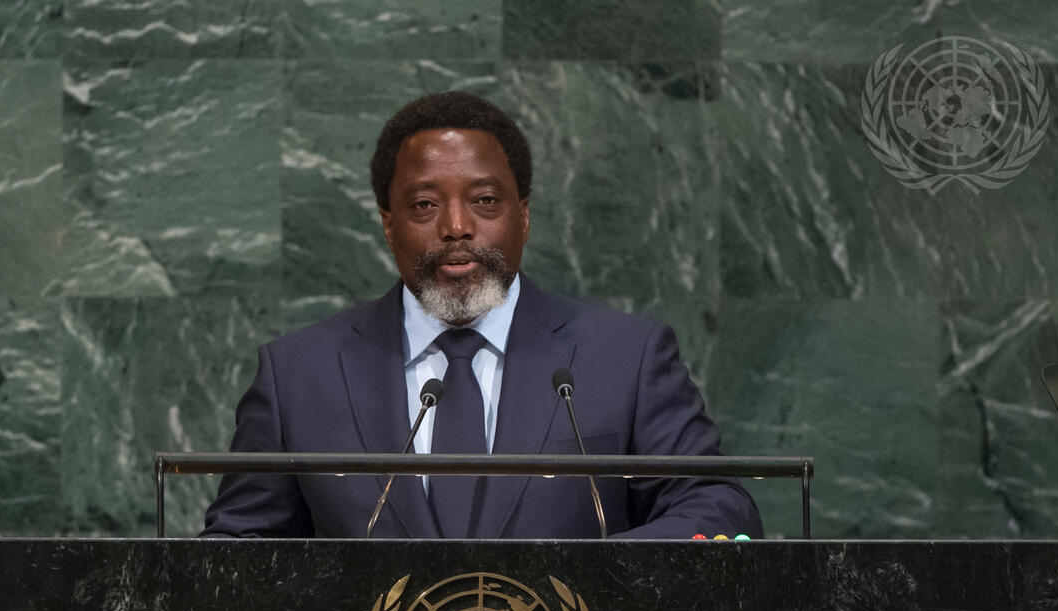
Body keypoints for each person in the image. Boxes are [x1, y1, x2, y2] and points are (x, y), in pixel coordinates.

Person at [202, 91, 762, 539]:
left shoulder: (625, 357)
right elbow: (237, 549)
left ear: (524, 216)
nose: (456, 227)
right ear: (388, 224)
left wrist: (596, 577)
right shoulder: (298, 375)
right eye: (424, 205)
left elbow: (716, 506)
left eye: (485, 201)